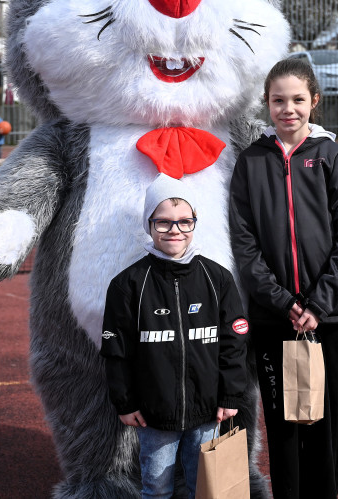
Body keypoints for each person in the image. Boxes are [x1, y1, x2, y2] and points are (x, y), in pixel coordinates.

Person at [229, 57, 338, 499]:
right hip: (274, 319)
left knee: (324, 423)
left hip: (326, 318)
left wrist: (317, 304)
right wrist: (282, 301)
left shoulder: (333, 157)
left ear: (314, 102)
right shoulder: (251, 161)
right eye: (278, 100)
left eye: (298, 100)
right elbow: (244, 243)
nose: (288, 109)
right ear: (267, 104)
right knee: (284, 423)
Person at [101, 175, 248, 498]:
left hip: (209, 410)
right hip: (156, 415)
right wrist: (124, 402)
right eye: (163, 223)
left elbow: (234, 344)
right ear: (149, 225)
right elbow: (116, 351)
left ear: (195, 223)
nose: (175, 231)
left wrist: (230, 396)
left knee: (206, 488)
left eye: (184, 222)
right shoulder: (128, 285)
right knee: (156, 487)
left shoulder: (217, 279)